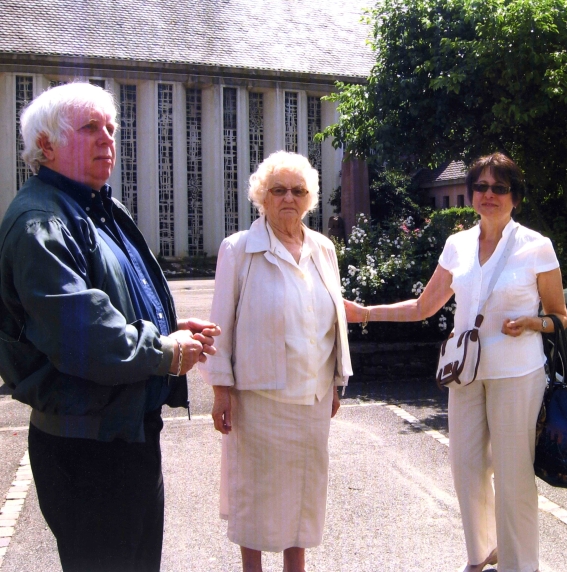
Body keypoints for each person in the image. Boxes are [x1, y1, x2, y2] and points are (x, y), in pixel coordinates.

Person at [0, 82, 220, 572]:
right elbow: (87, 341)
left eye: (111, 129)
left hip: (124, 435)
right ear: (46, 146)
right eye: (89, 128)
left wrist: (168, 326)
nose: (108, 140)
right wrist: (164, 351)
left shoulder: (95, 206)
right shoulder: (43, 222)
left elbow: (107, 308)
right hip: (87, 450)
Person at [345, 152, 567, 572]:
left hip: (517, 374)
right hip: (465, 373)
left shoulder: (536, 247)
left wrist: (533, 322)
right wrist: (367, 312)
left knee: (513, 474)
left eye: (499, 188)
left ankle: (520, 564)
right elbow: (424, 306)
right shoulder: (457, 244)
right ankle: (482, 552)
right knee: (465, 467)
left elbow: (561, 317)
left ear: (514, 197)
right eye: (480, 187)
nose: (488, 195)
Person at [200, 151, 352, 572]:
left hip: (313, 395)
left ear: (310, 199)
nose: (289, 197)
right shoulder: (239, 249)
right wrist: (220, 390)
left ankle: (295, 568)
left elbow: (332, 317)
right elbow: (220, 327)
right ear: (261, 198)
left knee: (304, 492)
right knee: (256, 493)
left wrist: (337, 380)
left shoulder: (323, 248)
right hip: (259, 397)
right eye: (278, 190)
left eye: (298, 190)